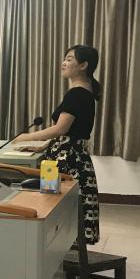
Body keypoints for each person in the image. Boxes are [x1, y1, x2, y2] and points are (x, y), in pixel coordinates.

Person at [13, 44, 102, 244]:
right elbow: (72, 132)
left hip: (66, 160)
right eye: (65, 58)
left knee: (54, 206)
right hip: (72, 155)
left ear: (83, 65)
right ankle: (61, 249)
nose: (64, 63)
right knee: (64, 207)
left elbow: (60, 129)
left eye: (70, 59)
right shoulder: (84, 91)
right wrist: (42, 146)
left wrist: (25, 137)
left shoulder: (77, 93)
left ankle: (54, 249)